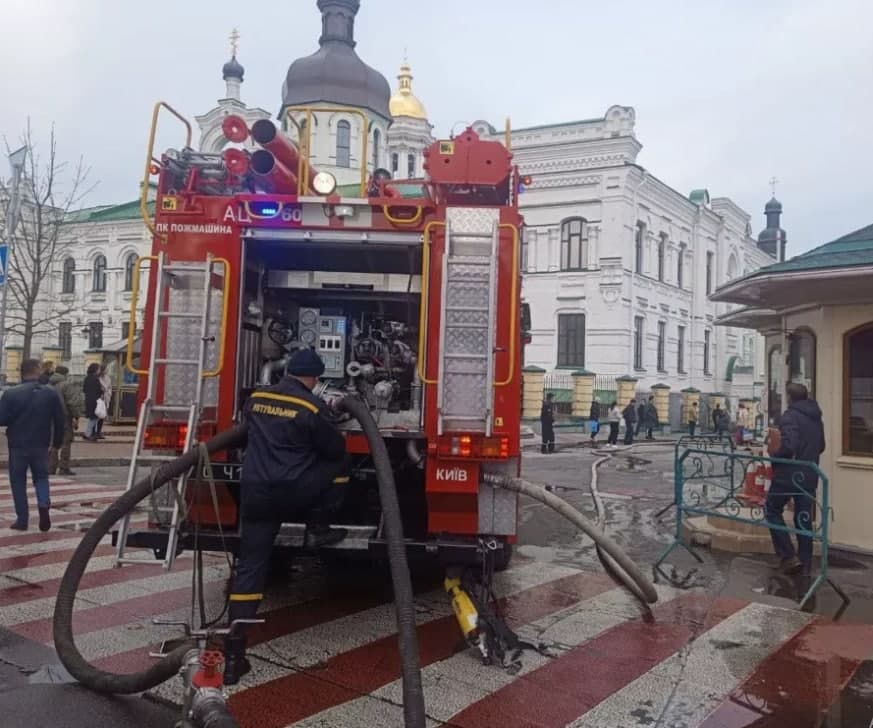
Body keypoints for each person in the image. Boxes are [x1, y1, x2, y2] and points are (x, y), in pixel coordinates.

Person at [223, 348, 350, 684]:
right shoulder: (312, 407)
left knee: (250, 568)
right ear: (314, 377)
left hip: (255, 496)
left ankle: (234, 655)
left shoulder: (256, 400)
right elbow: (334, 449)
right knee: (341, 463)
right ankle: (318, 526)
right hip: (295, 494)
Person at [764, 383, 825, 576]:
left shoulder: (790, 416)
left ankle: (788, 556)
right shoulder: (816, 417)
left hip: (788, 474)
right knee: (803, 518)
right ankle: (805, 565)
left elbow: (789, 446)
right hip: (809, 474)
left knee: (771, 509)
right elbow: (821, 446)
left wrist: (775, 453)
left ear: (790, 397)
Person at [0, 358, 65, 531]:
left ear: (22, 372)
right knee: (41, 478)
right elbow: (60, 420)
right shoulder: (50, 393)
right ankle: (43, 508)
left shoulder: (10, 394)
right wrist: (57, 444)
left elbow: (1, 419)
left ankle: (22, 519)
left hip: (17, 444)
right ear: (37, 371)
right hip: (41, 444)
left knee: (18, 481)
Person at [49, 365, 85, 476]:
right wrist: (76, 416)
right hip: (64, 417)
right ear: (66, 374)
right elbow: (73, 402)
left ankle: (50, 467)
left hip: (50, 418)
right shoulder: (66, 385)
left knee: (52, 442)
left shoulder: (48, 384)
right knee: (66, 442)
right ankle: (63, 468)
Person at [83, 363, 103, 441]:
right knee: (94, 418)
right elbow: (99, 390)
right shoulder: (96, 379)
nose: (99, 371)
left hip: (88, 399)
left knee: (92, 417)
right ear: (95, 370)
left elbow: (84, 389)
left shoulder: (87, 378)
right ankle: (88, 434)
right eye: (98, 369)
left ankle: (89, 433)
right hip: (95, 400)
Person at [96, 366, 112, 439]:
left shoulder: (107, 377)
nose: (107, 371)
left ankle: (99, 432)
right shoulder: (98, 378)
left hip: (105, 397)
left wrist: (108, 393)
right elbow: (103, 387)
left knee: (102, 415)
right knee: (97, 415)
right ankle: (95, 432)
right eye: (106, 369)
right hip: (99, 398)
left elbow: (108, 387)